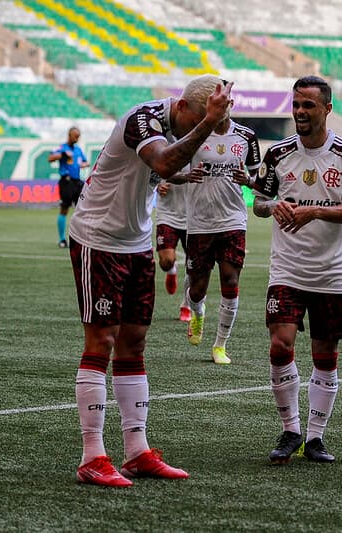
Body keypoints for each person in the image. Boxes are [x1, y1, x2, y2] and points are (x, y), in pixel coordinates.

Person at [67, 75, 233, 487]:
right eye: (199, 122)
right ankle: (92, 456)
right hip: (98, 239)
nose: (204, 131)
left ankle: (137, 451)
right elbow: (162, 161)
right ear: (181, 108)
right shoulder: (142, 119)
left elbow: (163, 172)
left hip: (137, 242)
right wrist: (206, 125)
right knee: (101, 340)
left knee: (134, 341)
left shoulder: (176, 126)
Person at [252, 76, 342, 464]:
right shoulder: (279, 152)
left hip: (332, 271)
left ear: (327, 109)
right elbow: (259, 203)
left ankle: (316, 438)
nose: (300, 112)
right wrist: (275, 207)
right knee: (279, 344)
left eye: (308, 106)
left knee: (324, 352)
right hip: (286, 268)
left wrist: (314, 210)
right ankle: (290, 430)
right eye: (296, 105)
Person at [183, 105, 261, 365]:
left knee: (230, 279)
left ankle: (220, 346)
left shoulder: (246, 136)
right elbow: (169, 168)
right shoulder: (194, 134)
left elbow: (261, 178)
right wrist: (185, 175)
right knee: (197, 288)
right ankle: (197, 313)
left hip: (233, 220)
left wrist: (247, 179)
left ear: (232, 106)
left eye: (226, 104)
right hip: (200, 223)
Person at [154, 171, 192, 322]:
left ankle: (186, 305)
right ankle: (171, 270)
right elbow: (148, 173)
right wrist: (156, 185)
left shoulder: (200, 152)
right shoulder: (162, 148)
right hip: (167, 215)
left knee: (194, 266)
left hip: (194, 216)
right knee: (166, 261)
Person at [49, 127, 90, 248]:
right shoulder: (62, 148)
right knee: (64, 209)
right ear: (69, 135)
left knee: (81, 210)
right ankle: (62, 239)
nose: (77, 139)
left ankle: (80, 239)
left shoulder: (78, 149)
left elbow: (86, 162)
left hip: (77, 182)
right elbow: (50, 158)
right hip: (66, 182)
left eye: (78, 136)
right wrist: (62, 155)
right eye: (75, 136)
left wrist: (81, 164)